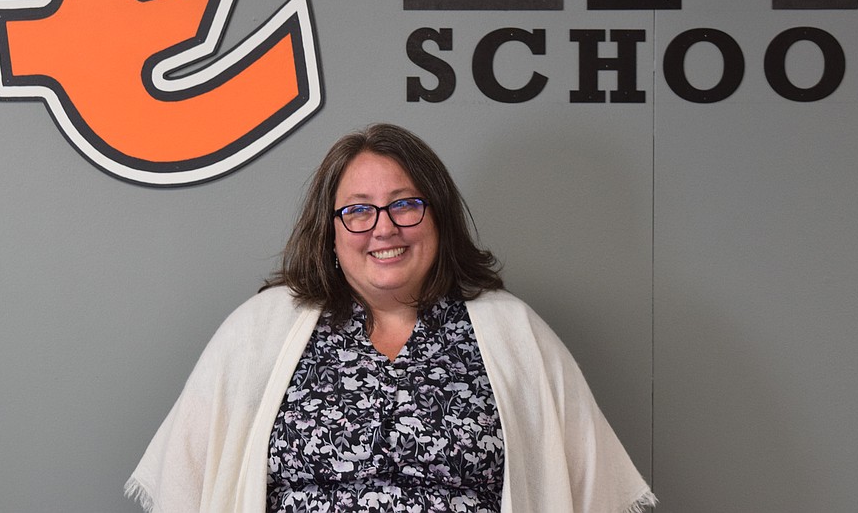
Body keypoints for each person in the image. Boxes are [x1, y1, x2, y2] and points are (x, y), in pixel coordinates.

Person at [126, 123, 655, 513]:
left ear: (438, 218)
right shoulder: (257, 333)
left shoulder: (513, 333)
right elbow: (183, 483)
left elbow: (592, 489)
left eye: (405, 205)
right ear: (330, 232)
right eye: (357, 210)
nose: (383, 229)